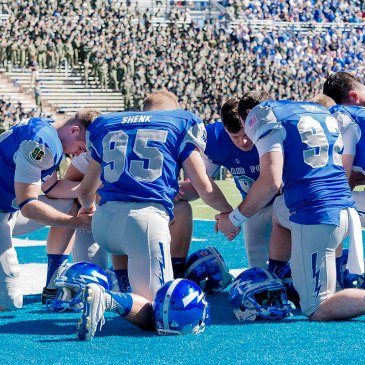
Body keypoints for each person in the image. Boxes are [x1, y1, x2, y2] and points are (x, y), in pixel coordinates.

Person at [76, 90, 233, 339]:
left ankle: (125, 290)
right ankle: (108, 299)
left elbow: (86, 191)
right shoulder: (180, 122)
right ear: (174, 108)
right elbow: (204, 187)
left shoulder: (107, 124)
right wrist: (228, 213)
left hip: (104, 223)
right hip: (144, 222)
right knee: (161, 313)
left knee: (131, 249)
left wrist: (88, 208)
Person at [216, 90, 365, 321]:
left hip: (317, 214)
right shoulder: (313, 110)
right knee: (279, 211)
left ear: (248, 114)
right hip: (345, 208)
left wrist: (233, 219)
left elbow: (270, 182)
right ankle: (277, 274)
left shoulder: (263, 115)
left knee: (316, 308)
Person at [0, 110, 97, 310]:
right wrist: (76, 222)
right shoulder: (42, 144)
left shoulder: (47, 130)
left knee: (70, 203)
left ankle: (54, 281)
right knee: (10, 301)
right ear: (74, 130)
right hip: (8, 211)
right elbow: (28, 206)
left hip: (7, 210)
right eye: (81, 147)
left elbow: (52, 189)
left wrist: (93, 189)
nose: (79, 153)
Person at [178, 97, 272, 268]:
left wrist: (233, 218)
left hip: (285, 201)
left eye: (246, 134)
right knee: (259, 269)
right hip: (253, 208)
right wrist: (174, 190)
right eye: (235, 136)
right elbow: (198, 186)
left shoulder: (269, 132)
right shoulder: (215, 138)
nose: (243, 142)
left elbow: (273, 185)